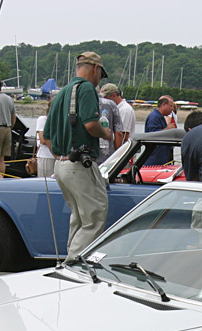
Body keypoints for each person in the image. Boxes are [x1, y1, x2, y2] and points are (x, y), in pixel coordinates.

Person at [43, 51, 113, 257]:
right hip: (79, 164)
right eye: (100, 73)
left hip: (62, 164)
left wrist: (61, 154)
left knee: (79, 218)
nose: (99, 78)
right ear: (95, 69)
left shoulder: (61, 94)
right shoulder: (87, 89)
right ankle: (75, 264)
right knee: (95, 216)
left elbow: (46, 137)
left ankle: (71, 261)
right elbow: (91, 124)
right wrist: (106, 133)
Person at [144, 96, 176, 165]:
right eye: (171, 106)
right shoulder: (154, 117)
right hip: (155, 160)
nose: (172, 109)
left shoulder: (160, 117)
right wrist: (168, 129)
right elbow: (153, 135)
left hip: (161, 158)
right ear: (164, 104)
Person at [96, 92, 123, 164]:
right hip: (107, 157)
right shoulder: (111, 104)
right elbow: (118, 132)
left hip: (87, 156)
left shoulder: (81, 103)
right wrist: (118, 155)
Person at [34, 101, 56, 177]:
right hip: (46, 156)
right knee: (45, 181)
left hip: (58, 157)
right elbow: (43, 140)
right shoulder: (43, 119)